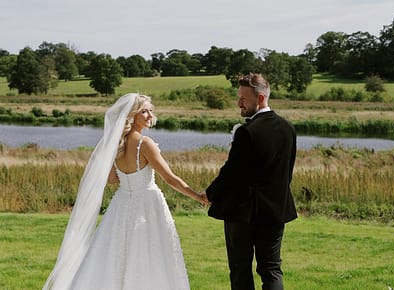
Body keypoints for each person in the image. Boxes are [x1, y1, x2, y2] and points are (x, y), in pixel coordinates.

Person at [43, 93, 208, 290]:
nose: (150, 115)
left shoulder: (118, 144)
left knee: (116, 253)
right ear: (132, 116)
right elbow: (170, 178)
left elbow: (112, 179)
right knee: (149, 253)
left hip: (121, 204)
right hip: (147, 203)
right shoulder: (145, 144)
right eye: (144, 111)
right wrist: (197, 196)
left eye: (150, 111)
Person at [205, 73, 297, 290]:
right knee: (271, 268)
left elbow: (231, 172)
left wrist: (209, 193)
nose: (238, 103)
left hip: (243, 212)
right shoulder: (288, 129)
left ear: (261, 98)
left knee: (240, 269)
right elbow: (287, 173)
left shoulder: (247, 132)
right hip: (276, 210)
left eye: (243, 98)